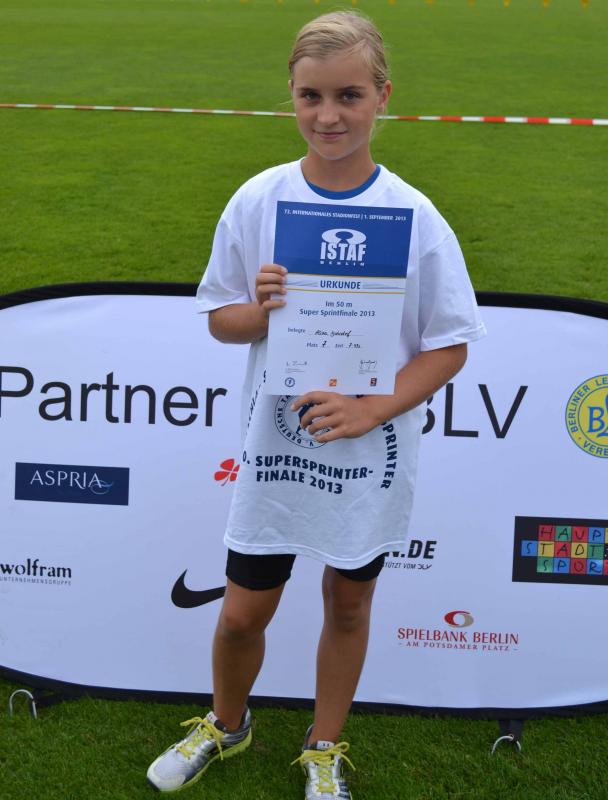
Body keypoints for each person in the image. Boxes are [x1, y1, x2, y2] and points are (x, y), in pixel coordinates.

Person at [147, 10, 485, 798]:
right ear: (292, 98)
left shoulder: (415, 217)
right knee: (241, 615)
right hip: (277, 452)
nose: (328, 116)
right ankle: (226, 723)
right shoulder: (259, 199)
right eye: (311, 96)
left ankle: (323, 745)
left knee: (349, 607)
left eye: (349, 95)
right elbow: (223, 322)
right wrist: (262, 309)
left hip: (368, 457)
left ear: (383, 97)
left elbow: (450, 345)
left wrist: (373, 410)